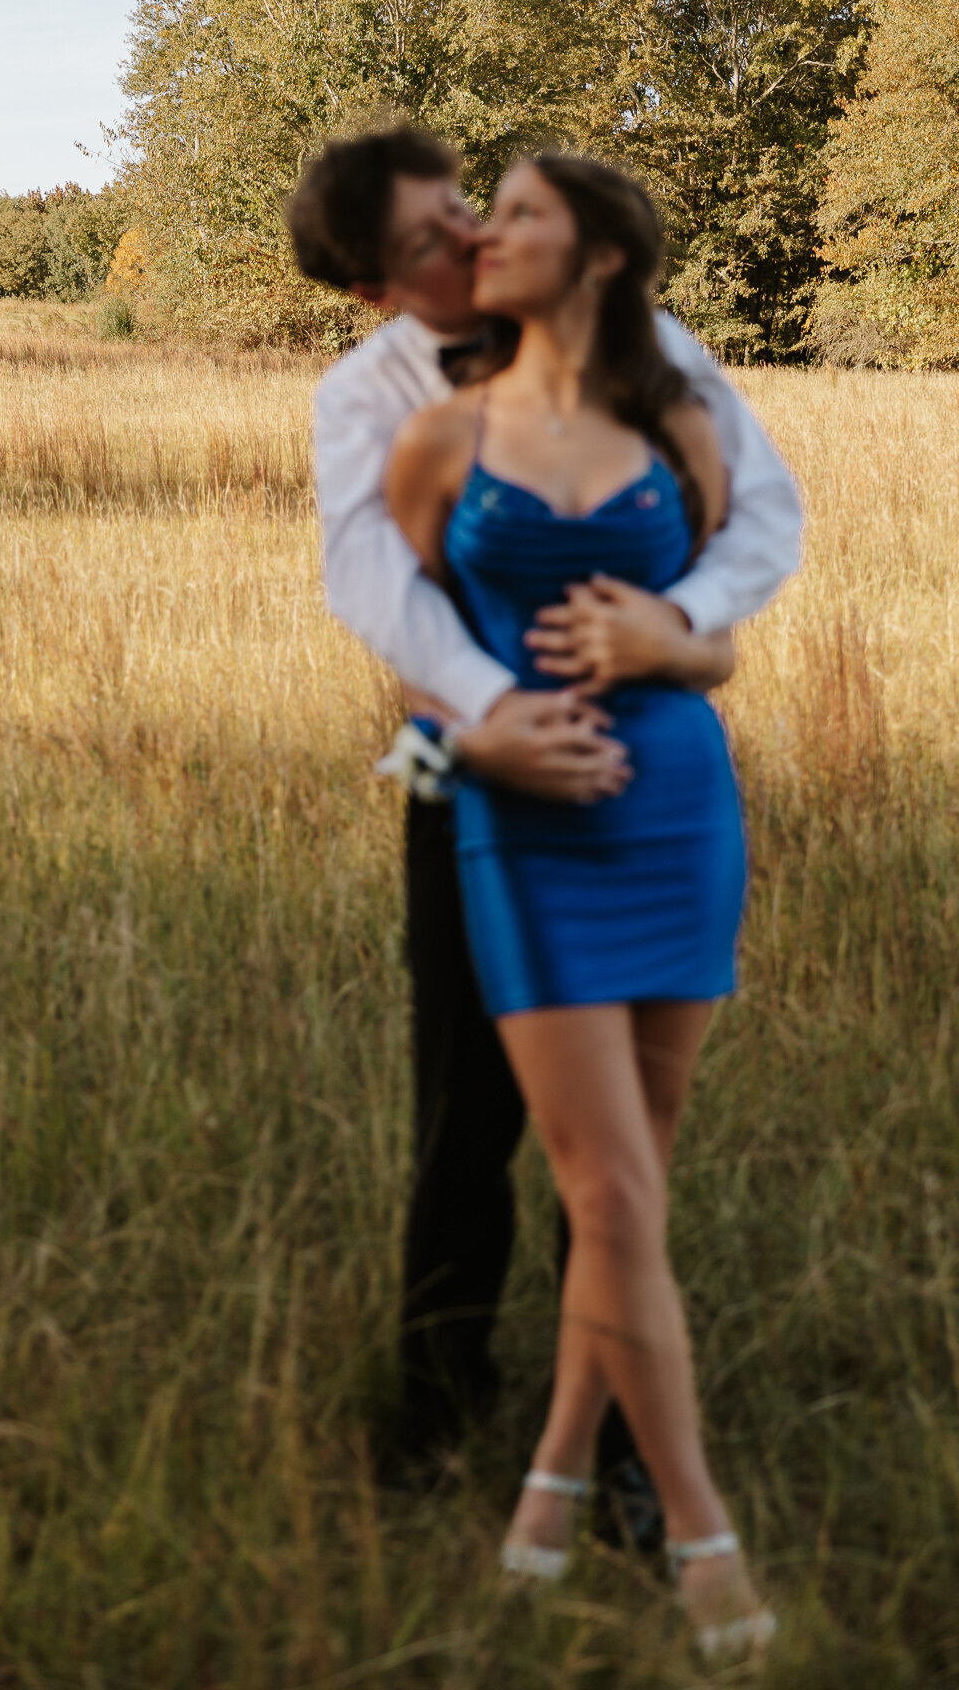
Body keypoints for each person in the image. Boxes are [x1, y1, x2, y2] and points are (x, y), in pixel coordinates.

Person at [289, 129, 800, 1538]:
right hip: (464, 775)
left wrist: (684, 630)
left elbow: (758, 513)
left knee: (621, 1138)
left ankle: (628, 1445)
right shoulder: (371, 395)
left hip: (639, 772)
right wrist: (486, 714)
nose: (460, 240)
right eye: (422, 242)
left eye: (463, 209)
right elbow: (375, 585)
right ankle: (438, 1405)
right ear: (375, 288)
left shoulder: (648, 346)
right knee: (463, 1112)